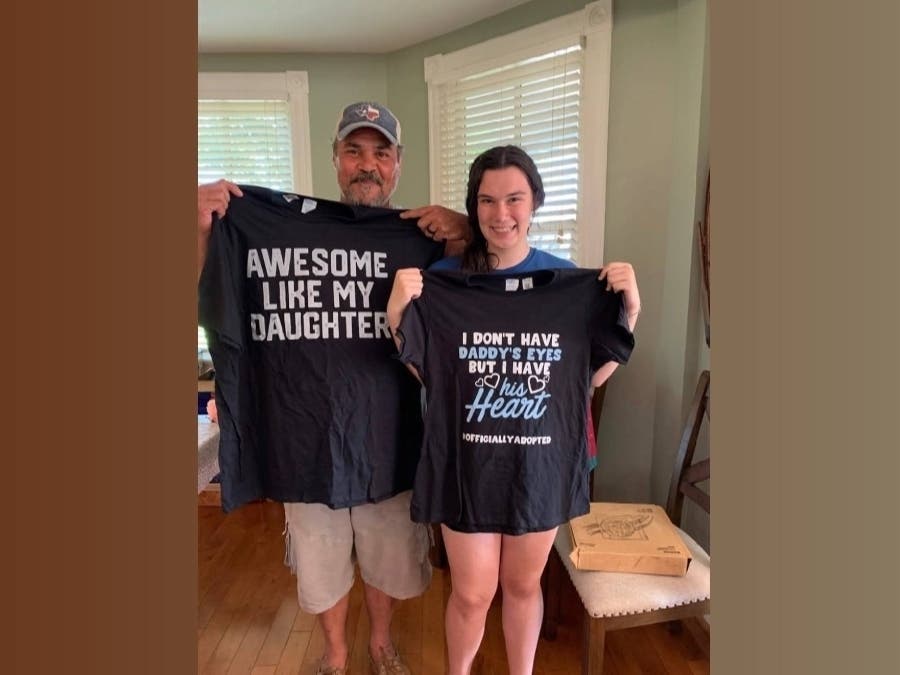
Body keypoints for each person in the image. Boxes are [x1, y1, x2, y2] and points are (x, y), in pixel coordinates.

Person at [197, 102, 469, 675]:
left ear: (398, 165)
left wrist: (461, 236)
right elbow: (213, 291)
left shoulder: (424, 237)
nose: (367, 164)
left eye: (380, 152)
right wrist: (201, 226)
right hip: (304, 431)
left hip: (393, 434)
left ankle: (380, 643)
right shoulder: (270, 227)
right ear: (336, 161)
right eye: (354, 150)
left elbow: (472, 309)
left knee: (388, 557)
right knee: (320, 560)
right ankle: (336, 653)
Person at [386, 145, 641, 675]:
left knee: (523, 586)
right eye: (487, 200)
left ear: (535, 203)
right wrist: (397, 316)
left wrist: (630, 314)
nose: (501, 214)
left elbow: (580, 381)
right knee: (473, 593)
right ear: (474, 207)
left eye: (514, 199)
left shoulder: (567, 283)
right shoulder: (447, 280)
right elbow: (431, 373)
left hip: (540, 463)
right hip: (466, 462)